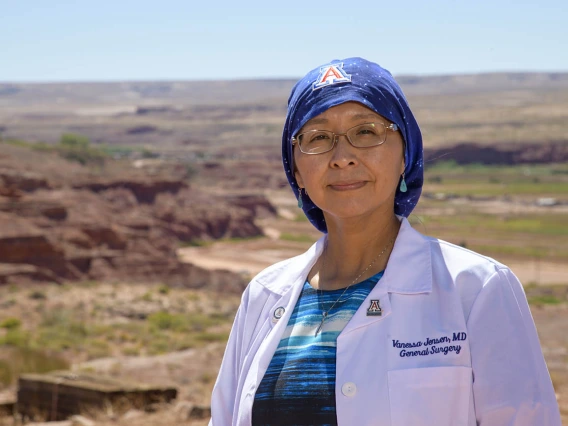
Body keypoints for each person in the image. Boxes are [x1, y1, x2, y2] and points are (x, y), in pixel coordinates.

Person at [209, 57, 561, 425]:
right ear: (295, 169)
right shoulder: (263, 295)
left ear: (405, 153)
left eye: (366, 132)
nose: (342, 158)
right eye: (318, 138)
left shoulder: (476, 289)